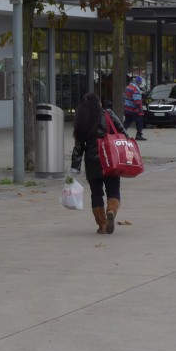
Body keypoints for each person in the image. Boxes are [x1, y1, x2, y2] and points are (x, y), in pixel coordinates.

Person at [70, 92, 125, 235]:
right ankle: (111, 210)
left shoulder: (82, 119)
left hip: (92, 160)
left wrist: (74, 169)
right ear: (99, 103)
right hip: (110, 159)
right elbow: (122, 132)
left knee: (96, 194)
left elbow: (78, 147)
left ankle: (102, 225)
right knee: (113, 190)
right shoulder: (108, 114)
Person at [122, 75, 147, 140]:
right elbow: (137, 101)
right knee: (140, 121)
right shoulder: (136, 89)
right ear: (139, 83)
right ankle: (139, 135)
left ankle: (121, 134)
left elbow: (125, 96)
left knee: (127, 122)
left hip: (127, 108)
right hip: (134, 109)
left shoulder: (128, 87)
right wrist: (140, 109)